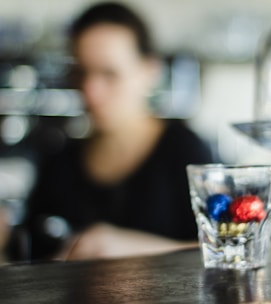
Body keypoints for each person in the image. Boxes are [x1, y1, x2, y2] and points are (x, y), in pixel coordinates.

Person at [23, 2, 213, 261]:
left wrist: (132, 249)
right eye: (81, 73)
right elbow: (30, 254)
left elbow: (226, 251)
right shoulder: (59, 160)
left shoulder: (185, 152)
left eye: (109, 74)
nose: (91, 91)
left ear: (150, 71)